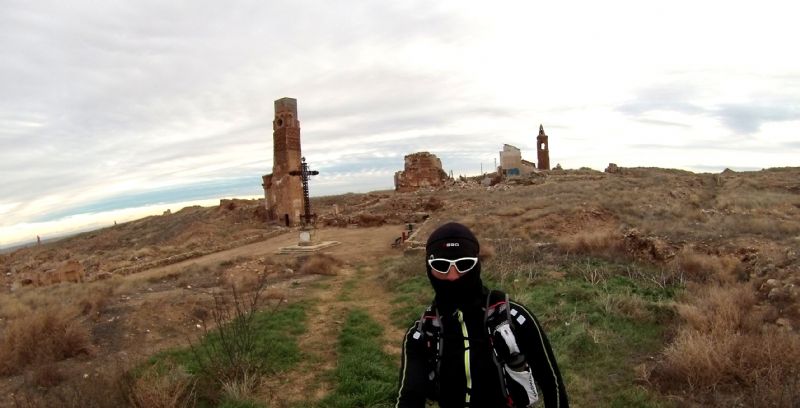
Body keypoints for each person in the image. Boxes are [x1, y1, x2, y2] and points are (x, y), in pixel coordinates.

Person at [396, 222, 568, 407]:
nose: (453, 276)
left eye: (464, 264)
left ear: (477, 263)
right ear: (429, 268)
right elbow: (409, 397)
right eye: (441, 265)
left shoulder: (513, 317)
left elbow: (551, 383)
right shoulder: (422, 333)